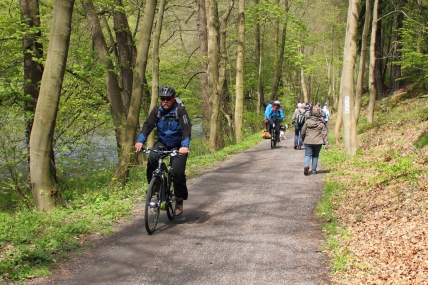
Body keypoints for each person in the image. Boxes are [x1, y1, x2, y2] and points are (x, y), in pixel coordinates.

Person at [135, 86, 192, 216]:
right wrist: (140, 141)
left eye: (168, 99)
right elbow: (148, 125)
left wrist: (184, 146)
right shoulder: (157, 111)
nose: (165, 101)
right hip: (163, 143)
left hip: (178, 145)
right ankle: (155, 186)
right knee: (152, 158)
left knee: (177, 172)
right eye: (162, 99)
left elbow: (186, 128)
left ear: (173, 99)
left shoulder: (180, 110)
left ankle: (178, 199)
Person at [301, 108, 329, 175]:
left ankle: (306, 166)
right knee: (315, 156)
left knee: (307, 155)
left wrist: (304, 138)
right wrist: (326, 142)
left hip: (308, 141)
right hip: (318, 142)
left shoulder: (307, 122)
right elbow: (324, 134)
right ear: (320, 114)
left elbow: (303, 131)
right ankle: (313, 170)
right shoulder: (321, 123)